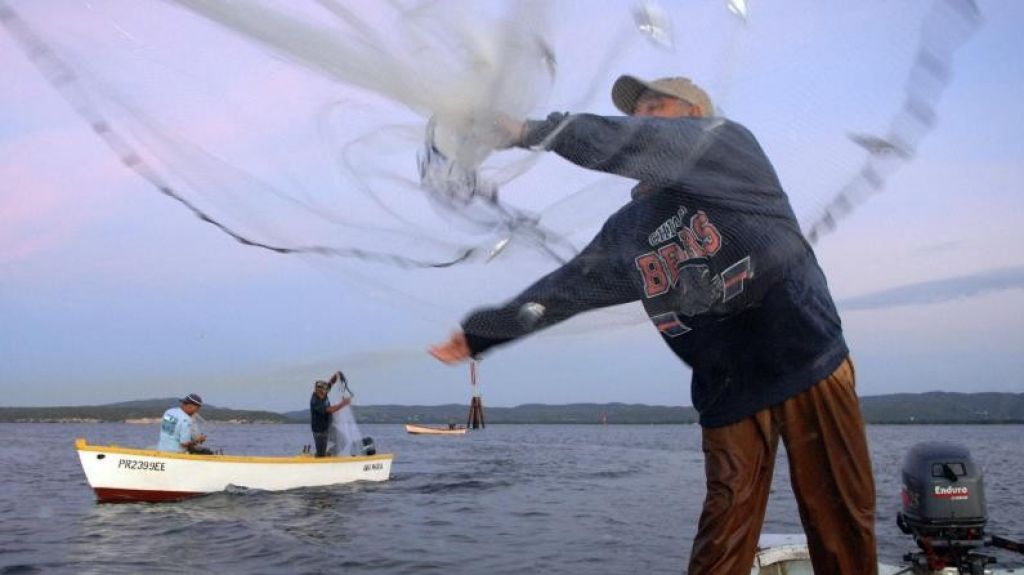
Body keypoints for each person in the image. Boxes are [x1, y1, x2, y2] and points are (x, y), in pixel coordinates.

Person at [430, 75, 877, 574]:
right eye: (635, 111)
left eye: (655, 107)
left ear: (692, 116)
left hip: (804, 358)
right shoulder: (630, 228)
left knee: (837, 512)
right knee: (724, 526)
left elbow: (635, 142)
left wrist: (528, 131)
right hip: (725, 388)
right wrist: (481, 334)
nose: (640, 119)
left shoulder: (726, 145)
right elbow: (566, 290)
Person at [309, 371, 351, 457]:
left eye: (325, 391)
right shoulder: (315, 401)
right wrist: (343, 404)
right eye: (322, 391)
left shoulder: (324, 391)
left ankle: (330, 454)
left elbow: (331, 382)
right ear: (317, 390)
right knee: (321, 456)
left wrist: (337, 375)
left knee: (343, 441)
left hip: (329, 427)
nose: (324, 393)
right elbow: (330, 409)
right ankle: (320, 459)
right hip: (320, 432)